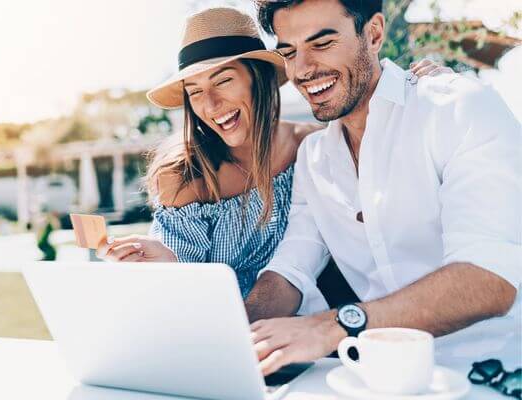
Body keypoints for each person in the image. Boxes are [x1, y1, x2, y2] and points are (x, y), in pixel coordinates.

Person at [245, 0, 521, 376]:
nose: (303, 69)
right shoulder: (313, 158)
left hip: (500, 373)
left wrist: (333, 326)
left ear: (373, 34)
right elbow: (292, 267)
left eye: (322, 43)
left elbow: (490, 277)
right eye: (290, 52)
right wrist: (235, 331)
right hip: (382, 375)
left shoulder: (457, 107)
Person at [97, 7, 447, 298]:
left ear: (259, 77)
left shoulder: (316, 150)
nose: (211, 104)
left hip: (307, 334)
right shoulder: (184, 173)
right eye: (195, 91)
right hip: (218, 332)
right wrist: (165, 261)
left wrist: (422, 84)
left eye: (223, 81)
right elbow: (186, 283)